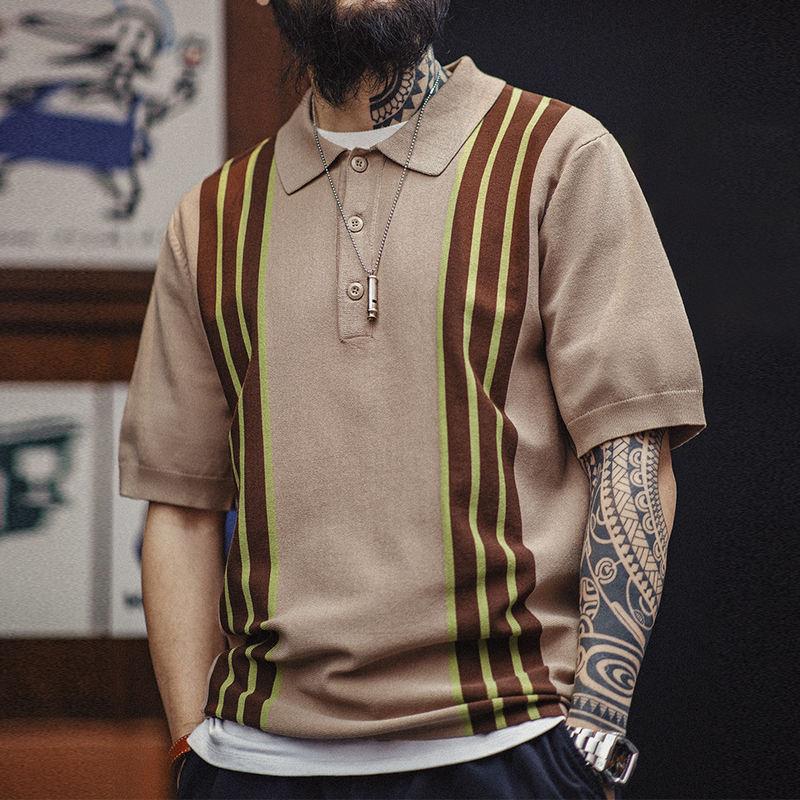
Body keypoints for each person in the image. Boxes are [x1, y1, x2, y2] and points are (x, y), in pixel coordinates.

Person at [118, 0, 707, 797]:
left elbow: (631, 451)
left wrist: (594, 734)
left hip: (510, 746)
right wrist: (194, 753)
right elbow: (182, 507)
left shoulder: (559, 156)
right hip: (258, 764)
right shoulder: (212, 219)